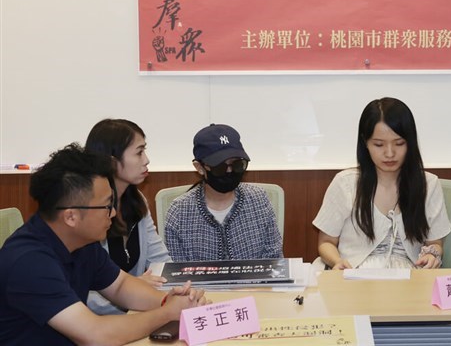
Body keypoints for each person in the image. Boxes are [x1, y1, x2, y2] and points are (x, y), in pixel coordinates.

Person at [0, 144, 208, 346]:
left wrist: (166, 301)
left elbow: (120, 286)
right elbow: (95, 335)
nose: (114, 213)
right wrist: (166, 313)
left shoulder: (81, 242)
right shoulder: (29, 262)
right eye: (107, 206)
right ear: (71, 216)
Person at [313, 97, 451, 269]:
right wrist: (337, 262)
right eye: (379, 145)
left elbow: (435, 243)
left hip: (409, 278)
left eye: (399, 143)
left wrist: (432, 254)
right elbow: (326, 243)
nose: (390, 153)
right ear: (365, 143)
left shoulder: (428, 185)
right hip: (355, 277)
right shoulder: (345, 184)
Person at [84, 119, 171, 315]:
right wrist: (130, 291)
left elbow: (161, 262)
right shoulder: (87, 210)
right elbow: (79, 295)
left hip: (138, 311)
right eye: (139, 152)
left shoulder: (136, 199)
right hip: (96, 323)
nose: (146, 160)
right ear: (111, 161)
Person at [164, 124, 283, 261]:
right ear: (200, 167)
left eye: (237, 164)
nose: (229, 171)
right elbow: (177, 272)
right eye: (220, 166)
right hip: (196, 283)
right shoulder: (180, 211)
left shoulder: (259, 200)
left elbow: (274, 260)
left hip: (255, 283)